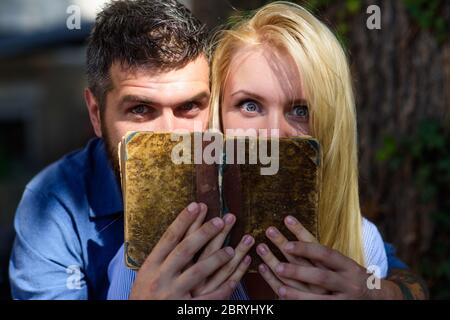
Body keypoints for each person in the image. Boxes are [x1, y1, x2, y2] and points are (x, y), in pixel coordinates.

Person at [106, 1, 428, 300]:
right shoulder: (153, 259)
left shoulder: (361, 243)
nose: (273, 135)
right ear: (218, 114)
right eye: (250, 105)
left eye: (300, 110)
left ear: (330, 127)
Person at [8, 0, 251, 300]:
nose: (169, 136)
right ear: (96, 114)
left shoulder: (250, 181)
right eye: (140, 109)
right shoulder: (53, 205)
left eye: (188, 107)